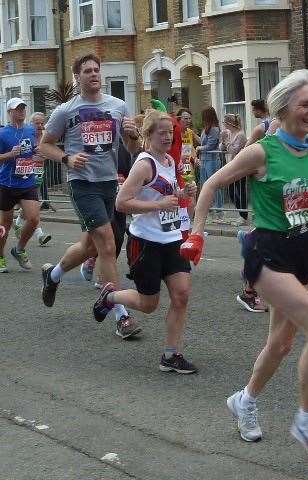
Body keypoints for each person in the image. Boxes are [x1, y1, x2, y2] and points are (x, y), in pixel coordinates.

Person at [180, 69, 308, 459]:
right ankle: (307, 420)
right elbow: (210, 185)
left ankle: (244, 399)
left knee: (281, 343)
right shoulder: (263, 151)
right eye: (305, 104)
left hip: (302, 254)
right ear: (283, 110)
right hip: (267, 255)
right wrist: (197, 233)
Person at [38, 54, 141, 337]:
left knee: (90, 247)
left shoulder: (118, 106)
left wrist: (133, 136)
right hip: (82, 184)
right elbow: (44, 146)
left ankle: (53, 275)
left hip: (109, 183)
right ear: (78, 77)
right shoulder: (65, 110)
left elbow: (132, 149)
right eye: (87, 71)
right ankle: (120, 314)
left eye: (97, 69)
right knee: (107, 245)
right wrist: (67, 159)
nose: (94, 74)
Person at [93, 110, 198, 372]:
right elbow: (121, 203)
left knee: (182, 294)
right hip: (146, 242)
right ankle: (111, 297)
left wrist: (183, 193)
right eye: (161, 133)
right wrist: (158, 205)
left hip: (171, 238)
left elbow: (165, 195)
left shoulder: (169, 162)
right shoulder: (144, 164)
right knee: (149, 304)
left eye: (170, 133)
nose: (167, 137)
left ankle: (171, 355)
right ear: (148, 135)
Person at [80, 114, 144, 288]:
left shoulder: (132, 148)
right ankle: (100, 272)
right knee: (106, 235)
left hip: (120, 196)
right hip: (101, 194)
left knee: (117, 237)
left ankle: (99, 269)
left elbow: (135, 169)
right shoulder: (101, 146)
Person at [0, 98, 40, 272]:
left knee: (33, 219)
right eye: (18, 109)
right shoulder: (2, 133)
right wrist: (9, 154)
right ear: (10, 112)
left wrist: (39, 152)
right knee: (5, 226)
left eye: (23, 108)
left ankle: (19, 249)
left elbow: (36, 148)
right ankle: (0, 257)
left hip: (27, 182)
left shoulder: (31, 130)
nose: (22, 111)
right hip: (7, 184)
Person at [13, 111, 52, 247]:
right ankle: (40, 234)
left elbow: (49, 153)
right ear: (31, 124)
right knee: (33, 201)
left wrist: (45, 155)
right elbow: (21, 154)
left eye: (42, 123)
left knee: (30, 202)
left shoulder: (46, 136)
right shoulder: (26, 134)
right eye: (37, 123)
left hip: (39, 171)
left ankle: (17, 222)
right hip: (25, 171)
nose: (40, 126)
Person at [220, 113, 248, 224]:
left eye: (224, 122)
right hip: (230, 165)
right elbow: (222, 148)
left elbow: (233, 150)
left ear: (229, 123)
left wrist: (227, 142)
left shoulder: (240, 135)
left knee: (240, 191)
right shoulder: (228, 133)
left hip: (240, 166)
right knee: (231, 191)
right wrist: (223, 141)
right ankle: (240, 212)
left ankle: (243, 215)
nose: (224, 125)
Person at [196, 107, 222, 209]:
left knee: (214, 185)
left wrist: (200, 148)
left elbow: (211, 145)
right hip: (204, 159)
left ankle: (218, 210)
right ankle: (209, 207)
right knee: (205, 185)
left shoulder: (214, 129)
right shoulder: (206, 129)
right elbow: (203, 142)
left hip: (212, 160)